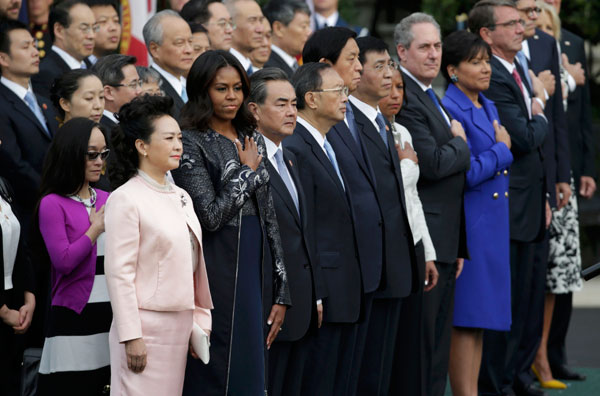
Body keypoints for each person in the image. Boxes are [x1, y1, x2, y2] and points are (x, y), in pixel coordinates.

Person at [171, 50, 290, 396]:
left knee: (253, 371)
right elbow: (209, 215)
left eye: (238, 88)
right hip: (217, 266)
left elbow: (269, 216)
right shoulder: (189, 141)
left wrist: (282, 287)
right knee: (219, 369)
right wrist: (247, 172)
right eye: (221, 88)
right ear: (202, 90)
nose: (232, 97)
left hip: (255, 263)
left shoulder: (250, 137)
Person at [104, 95, 212, 396]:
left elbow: (193, 262)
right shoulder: (126, 198)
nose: (178, 145)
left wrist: (199, 322)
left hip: (179, 324)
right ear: (142, 146)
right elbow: (118, 273)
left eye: (179, 137)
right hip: (144, 327)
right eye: (169, 138)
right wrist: (131, 335)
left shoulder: (180, 195)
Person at [469, 2, 549, 395]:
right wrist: (541, 107)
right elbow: (523, 139)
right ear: (487, 34)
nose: (522, 27)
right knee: (508, 304)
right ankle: (498, 383)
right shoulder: (496, 77)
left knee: (529, 300)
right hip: (507, 207)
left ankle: (516, 377)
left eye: (522, 21)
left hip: (531, 203)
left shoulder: (517, 69)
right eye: (512, 23)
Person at [394, 13, 471, 396]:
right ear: (402, 51)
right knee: (423, 348)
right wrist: (462, 143)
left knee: (438, 344)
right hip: (426, 240)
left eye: (437, 46)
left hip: (445, 236)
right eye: (424, 47)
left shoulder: (429, 93)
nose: (433, 54)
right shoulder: (406, 97)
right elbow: (434, 165)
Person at [440, 30, 513, 396]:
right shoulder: (451, 107)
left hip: (493, 224)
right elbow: (465, 172)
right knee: (465, 319)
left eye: (487, 61)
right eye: (476, 62)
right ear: (452, 70)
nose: (486, 68)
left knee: (480, 319)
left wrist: (498, 151)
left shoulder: (487, 103)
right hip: (473, 225)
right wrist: (502, 150)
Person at [284, 62, 362, 395]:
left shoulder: (328, 143)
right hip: (322, 291)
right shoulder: (296, 147)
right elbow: (304, 227)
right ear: (312, 99)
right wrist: (314, 291)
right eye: (338, 91)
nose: (346, 97)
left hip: (345, 286)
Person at [247, 67, 320, 396]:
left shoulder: (289, 157)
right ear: (255, 110)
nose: (291, 111)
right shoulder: (246, 159)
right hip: (268, 306)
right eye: (280, 104)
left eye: (293, 103)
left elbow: (303, 233)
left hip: (301, 304)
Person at [35, 118, 111, 395]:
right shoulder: (52, 203)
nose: (99, 161)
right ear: (70, 153)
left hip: (111, 316)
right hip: (74, 316)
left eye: (104, 154)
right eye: (91, 154)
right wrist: (95, 229)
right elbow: (63, 261)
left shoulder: (108, 198)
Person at [378, 66, 438, 396]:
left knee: (415, 341)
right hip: (387, 248)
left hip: (413, 243)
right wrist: (407, 165)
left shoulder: (403, 131)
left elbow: (413, 200)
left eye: (400, 87)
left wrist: (427, 250)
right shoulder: (370, 132)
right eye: (389, 87)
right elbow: (386, 193)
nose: (396, 94)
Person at [546, 0, 596, 382]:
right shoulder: (526, 53)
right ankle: (536, 355)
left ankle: (556, 353)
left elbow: (580, 117)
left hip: (569, 171)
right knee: (544, 278)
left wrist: (587, 169)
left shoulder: (575, 44)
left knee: (565, 275)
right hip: (542, 178)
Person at [0, 19, 58, 228]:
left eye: (34, 45)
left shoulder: (44, 100)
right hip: (24, 214)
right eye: (25, 47)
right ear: (3, 58)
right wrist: (52, 196)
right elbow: (13, 163)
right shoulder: (2, 104)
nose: (35, 52)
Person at [0, 165, 36, 396]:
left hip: (14, 302)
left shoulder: (4, 184)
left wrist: (29, 299)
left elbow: (21, 247)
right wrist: (2, 311)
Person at [31, 0, 96, 99]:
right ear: (59, 30)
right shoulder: (45, 75)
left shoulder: (93, 67)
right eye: (84, 28)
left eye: (94, 28)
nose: (92, 36)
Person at [143, 10, 193, 119]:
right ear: (155, 49)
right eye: (180, 43)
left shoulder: (193, 87)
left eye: (190, 42)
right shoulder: (149, 91)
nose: (189, 50)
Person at [92, 54, 141, 131]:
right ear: (108, 93)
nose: (140, 91)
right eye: (133, 85)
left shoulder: (131, 123)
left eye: (139, 83)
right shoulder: (100, 132)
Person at [263, 0, 311, 77]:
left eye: (309, 26)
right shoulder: (269, 70)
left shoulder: (294, 65)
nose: (309, 32)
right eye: (304, 26)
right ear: (278, 28)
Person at [224, 0, 265, 75]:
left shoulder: (255, 70)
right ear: (231, 24)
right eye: (252, 20)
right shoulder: (223, 69)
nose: (260, 29)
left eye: (261, 20)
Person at [85, 0, 121, 65]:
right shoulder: (78, 67)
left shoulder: (120, 67)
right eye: (103, 21)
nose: (113, 28)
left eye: (116, 20)